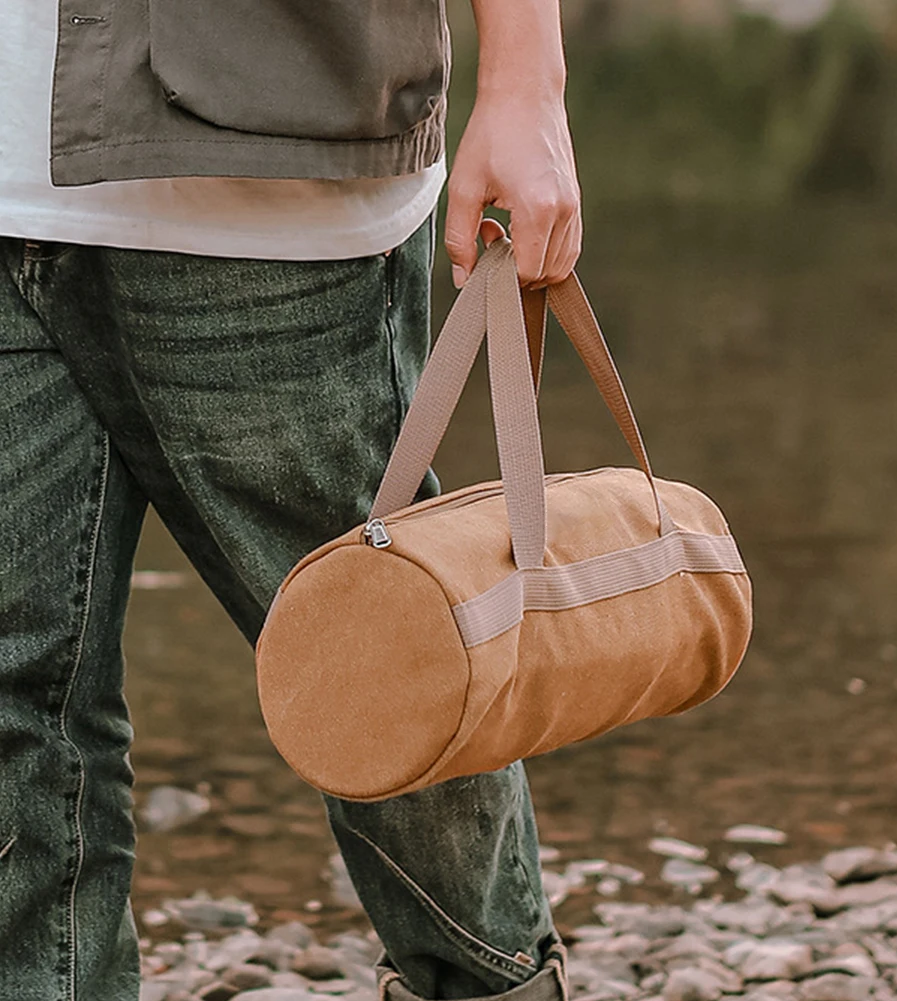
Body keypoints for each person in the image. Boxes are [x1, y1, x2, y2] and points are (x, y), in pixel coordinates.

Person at [0, 2, 582, 1000]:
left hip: (273, 164)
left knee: (390, 668)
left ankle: (491, 985)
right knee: (14, 691)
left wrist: (526, 83)